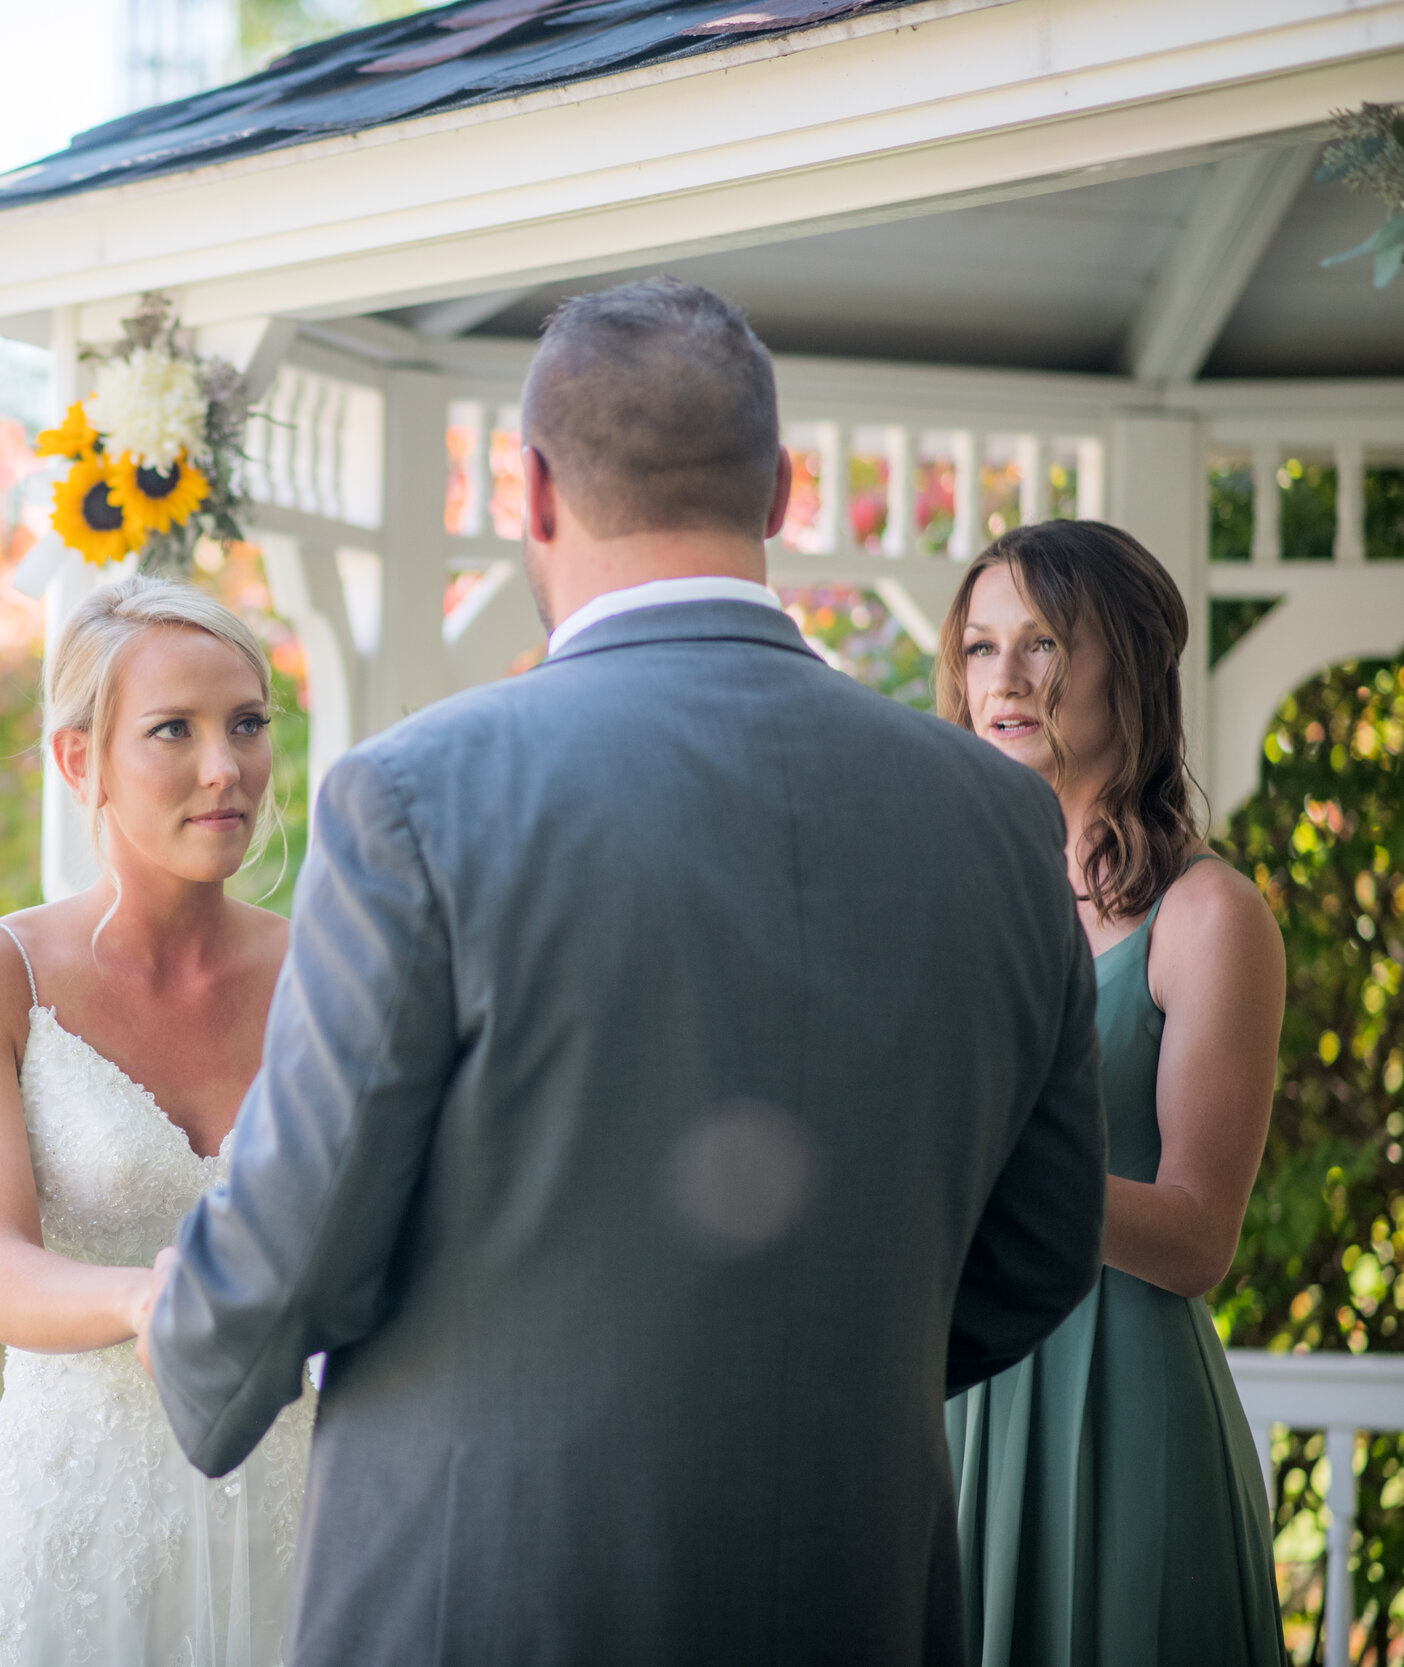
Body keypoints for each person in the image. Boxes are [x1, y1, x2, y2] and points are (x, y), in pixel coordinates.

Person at [135, 278, 1109, 1665]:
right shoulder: (1000, 819)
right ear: (779, 485)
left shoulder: (416, 795)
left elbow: (296, 1241)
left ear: (530, 488)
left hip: (487, 1599)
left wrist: (189, 1346)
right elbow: (1042, 1248)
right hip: (855, 1587)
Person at [0, 577, 313, 1667]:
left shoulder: (332, 967)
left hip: (297, 1506)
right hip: (71, 1519)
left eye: (247, 723)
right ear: (80, 759)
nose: (225, 767)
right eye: (172, 729)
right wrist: (150, 1298)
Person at [941, 521, 1286, 1665]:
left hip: (1120, 1404)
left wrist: (995, 1168)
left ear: (1125, 669)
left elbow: (1196, 1236)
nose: (1003, 680)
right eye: (980, 646)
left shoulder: (1210, 916)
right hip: (946, 1393)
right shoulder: (953, 897)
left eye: (1040, 643)